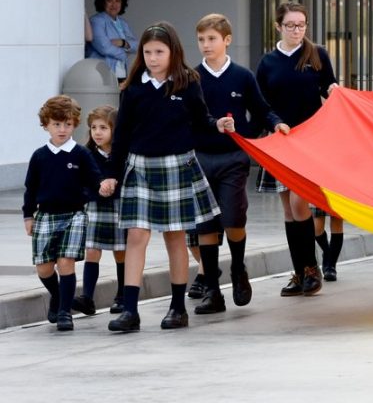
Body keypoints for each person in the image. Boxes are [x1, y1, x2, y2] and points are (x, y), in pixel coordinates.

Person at [101, 22, 235, 333]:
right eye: (147, 52)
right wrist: (111, 174)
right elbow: (120, 137)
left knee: (175, 237)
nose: (152, 57)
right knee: (136, 236)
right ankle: (130, 311)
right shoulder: (133, 89)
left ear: (173, 51)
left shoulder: (187, 83)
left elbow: (202, 120)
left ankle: (177, 308)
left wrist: (218, 125)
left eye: (159, 52)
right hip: (140, 168)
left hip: (177, 165)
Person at [193, 13, 289, 313]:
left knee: (233, 220)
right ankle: (212, 290)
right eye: (201, 40)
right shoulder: (191, 78)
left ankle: (237, 269)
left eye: (211, 39)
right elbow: (188, 118)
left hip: (234, 158)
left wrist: (276, 123)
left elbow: (261, 110)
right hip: (200, 158)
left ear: (227, 40)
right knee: (205, 225)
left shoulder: (242, 76)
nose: (206, 45)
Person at [256, 2, 338, 297]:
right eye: (290, 25)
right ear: (278, 26)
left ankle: (310, 268)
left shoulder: (317, 54)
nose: (296, 30)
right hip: (280, 141)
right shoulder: (268, 63)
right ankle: (300, 271)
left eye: (301, 24)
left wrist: (334, 90)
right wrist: (271, 125)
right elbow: (260, 104)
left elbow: (329, 86)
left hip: (309, 140)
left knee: (300, 203)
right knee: (289, 211)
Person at [23, 95, 110, 331]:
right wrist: (28, 216)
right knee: (44, 266)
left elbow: (94, 179)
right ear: (46, 125)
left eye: (68, 124)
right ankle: (60, 296)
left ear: (75, 124)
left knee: (65, 262)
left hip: (74, 215)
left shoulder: (81, 153)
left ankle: (64, 313)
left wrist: (102, 186)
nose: (62, 129)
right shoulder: (39, 156)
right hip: (45, 216)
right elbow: (30, 188)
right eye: (57, 124)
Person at [71, 105, 126, 317]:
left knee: (120, 251)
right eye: (93, 127)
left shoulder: (123, 154)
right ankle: (87, 297)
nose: (97, 132)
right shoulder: (87, 154)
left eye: (103, 127)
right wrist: (95, 189)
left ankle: (122, 295)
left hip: (118, 205)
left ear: (115, 129)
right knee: (92, 250)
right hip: (95, 206)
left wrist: (113, 186)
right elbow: (82, 182)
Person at [86, 0, 138, 81]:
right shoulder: (97, 21)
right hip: (101, 74)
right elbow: (104, 47)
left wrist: (123, 43)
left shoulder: (122, 23)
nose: (114, 5)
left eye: (117, 1)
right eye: (109, 1)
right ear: (103, 3)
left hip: (121, 72)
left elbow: (137, 45)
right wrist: (124, 53)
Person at [313, 207, 345, 282]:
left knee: (337, 223)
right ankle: (327, 253)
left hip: (339, 195)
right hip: (321, 195)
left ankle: (331, 266)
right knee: (316, 229)